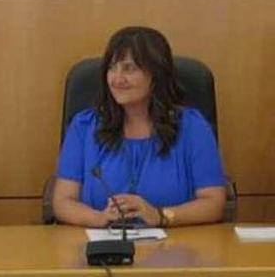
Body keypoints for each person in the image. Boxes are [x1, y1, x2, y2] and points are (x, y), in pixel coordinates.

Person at [53, 27, 227, 228]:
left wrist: (160, 215)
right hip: (102, 250)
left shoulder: (193, 127)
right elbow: (63, 201)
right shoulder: (84, 127)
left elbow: (213, 203)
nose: (117, 79)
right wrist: (98, 218)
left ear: (156, 75)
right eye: (112, 68)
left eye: (129, 69)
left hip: (177, 251)